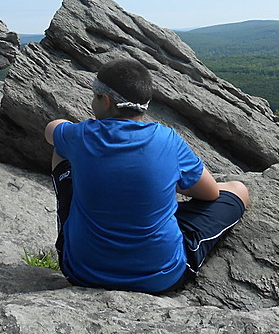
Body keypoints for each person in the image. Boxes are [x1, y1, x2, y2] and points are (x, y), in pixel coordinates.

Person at [44, 58, 249, 294]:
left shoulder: (79, 136)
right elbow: (211, 192)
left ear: (106, 100)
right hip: (161, 278)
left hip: (81, 271)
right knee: (238, 190)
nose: (92, 101)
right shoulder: (168, 140)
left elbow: (52, 129)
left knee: (60, 151)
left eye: (94, 95)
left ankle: (70, 233)